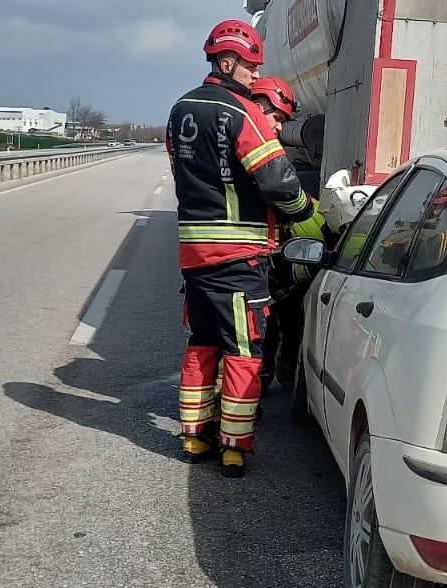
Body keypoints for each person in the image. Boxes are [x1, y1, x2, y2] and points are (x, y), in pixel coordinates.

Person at [166, 20, 321, 478]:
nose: (255, 76)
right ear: (228, 62)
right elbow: (276, 179)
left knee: (201, 344)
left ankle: (195, 435)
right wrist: (302, 210)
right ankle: (234, 445)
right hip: (238, 256)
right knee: (244, 352)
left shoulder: (179, 110)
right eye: (251, 67)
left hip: (194, 256)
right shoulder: (241, 113)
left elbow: (184, 175)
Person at [248, 77, 325, 389]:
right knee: (269, 320)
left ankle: (265, 374)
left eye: (282, 121)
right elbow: (288, 201)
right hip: (256, 260)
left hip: (263, 258)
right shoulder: (258, 153)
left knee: (276, 318)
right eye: (276, 118)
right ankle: (262, 377)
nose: (279, 128)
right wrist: (311, 211)